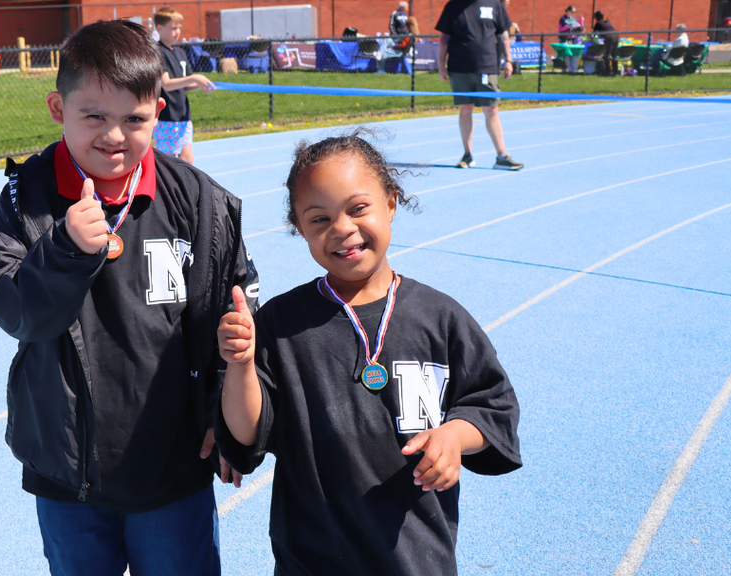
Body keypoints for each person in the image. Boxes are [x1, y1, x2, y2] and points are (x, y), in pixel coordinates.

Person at [0, 19, 259, 576]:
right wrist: (65, 250)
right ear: (58, 108)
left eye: (135, 119)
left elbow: (237, 312)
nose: (114, 136)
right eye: (94, 117)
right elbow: (13, 311)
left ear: (158, 111)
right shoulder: (26, 197)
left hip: (173, 462)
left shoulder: (200, 201)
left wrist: (224, 411)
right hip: (67, 469)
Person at [215, 132, 522, 576]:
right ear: (300, 228)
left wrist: (454, 436)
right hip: (312, 560)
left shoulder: (441, 318)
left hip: (414, 559)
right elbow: (245, 437)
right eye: (319, 219)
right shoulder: (280, 325)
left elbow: (492, 407)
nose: (342, 228)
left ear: (391, 203)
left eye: (358, 209)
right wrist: (240, 365)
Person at [436, 0, 524, 170]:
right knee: (465, 110)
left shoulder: (494, 4)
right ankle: (467, 155)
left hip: (487, 67)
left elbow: (503, 35)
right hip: (459, 69)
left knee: (491, 110)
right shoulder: (453, 6)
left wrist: (508, 60)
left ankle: (502, 156)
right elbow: (444, 39)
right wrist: (441, 66)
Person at [153, 6, 215, 165]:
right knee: (168, 164)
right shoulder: (157, 52)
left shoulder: (180, 52)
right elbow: (166, 84)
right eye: (173, 28)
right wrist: (195, 78)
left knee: (188, 161)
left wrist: (200, 85)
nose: (178, 31)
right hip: (166, 117)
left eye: (179, 27)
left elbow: (184, 85)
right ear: (160, 28)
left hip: (183, 116)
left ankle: (187, 190)